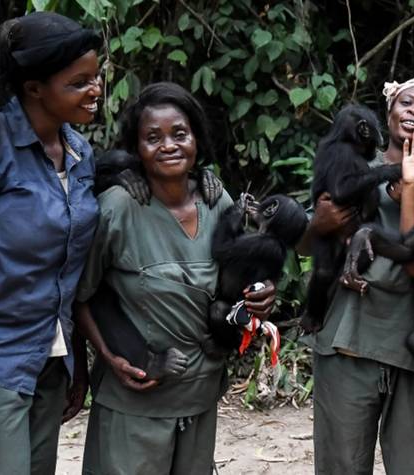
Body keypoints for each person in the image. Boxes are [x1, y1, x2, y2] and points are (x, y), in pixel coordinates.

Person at [73, 81, 276, 475]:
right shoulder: (116, 209)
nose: (168, 145)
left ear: (196, 139)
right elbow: (79, 295)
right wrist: (109, 358)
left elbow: (241, 283)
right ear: (136, 149)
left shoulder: (219, 202)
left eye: (179, 134)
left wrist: (261, 295)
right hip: (134, 403)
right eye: (153, 138)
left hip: (199, 398)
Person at [0, 12, 102, 475]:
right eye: (79, 82)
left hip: (49, 364)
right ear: (34, 89)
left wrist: (76, 359)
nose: (96, 89)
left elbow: (69, 268)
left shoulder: (79, 152)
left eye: (97, 76)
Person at [300, 75, 414, 474]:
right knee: (341, 465)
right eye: (407, 103)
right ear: (387, 112)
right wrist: (317, 223)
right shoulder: (349, 161)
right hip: (348, 341)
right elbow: (304, 239)